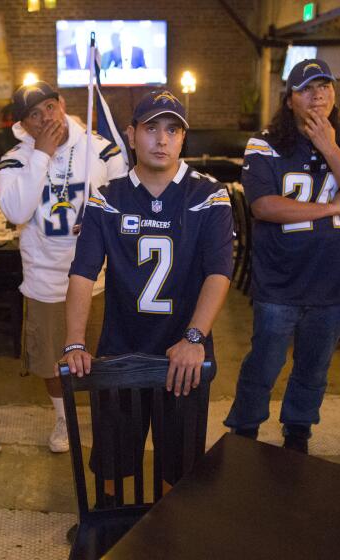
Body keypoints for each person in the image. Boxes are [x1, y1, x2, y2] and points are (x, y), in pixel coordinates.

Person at [63, 90, 233, 489]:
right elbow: (83, 271)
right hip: (122, 349)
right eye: (151, 128)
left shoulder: (209, 194)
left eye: (173, 129)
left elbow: (218, 272)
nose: (162, 139)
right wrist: (74, 342)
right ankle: (113, 531)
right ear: (131, 134)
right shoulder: (107, 197)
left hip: (184, 353)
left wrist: (194, 337)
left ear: (183, 138)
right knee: (113, 466)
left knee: (182, 468)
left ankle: (168, 536)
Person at [223, 59, 340, 453]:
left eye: (325, 86)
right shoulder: (265, 143)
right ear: (290, 99)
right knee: (264, 364)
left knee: (314, 368)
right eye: (307, 88)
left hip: (333, 277)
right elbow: (264, 206)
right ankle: (245, 429)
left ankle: (298, 430)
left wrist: (329, 147)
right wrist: (329, 209)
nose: (318, 95)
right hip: (280, 278)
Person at [0, 81, 127, 452]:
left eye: (49, 107)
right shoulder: (14, 159)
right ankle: (64, 418)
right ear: (24, 124)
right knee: (52, 362)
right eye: (33, 115)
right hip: (44, 277)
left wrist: (102, 222)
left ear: (62, 104)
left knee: (102, 356)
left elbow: (125, 203)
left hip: (97, 277)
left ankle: (104, 417)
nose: (45, 118)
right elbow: (17, 211)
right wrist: (42, 154)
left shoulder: (101, 150)